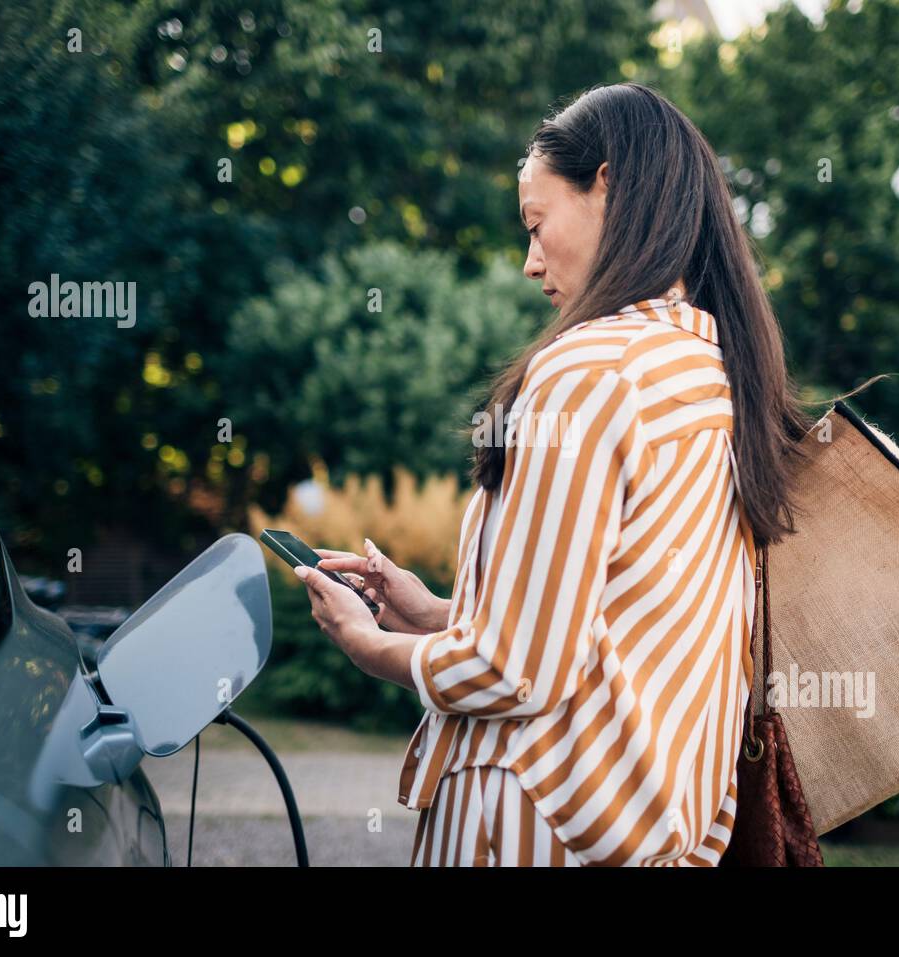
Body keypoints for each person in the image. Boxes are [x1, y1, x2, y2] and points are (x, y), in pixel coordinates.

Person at [296, 81, 808, 866]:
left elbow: (514, 669)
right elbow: (614, 614)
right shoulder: (715, 370)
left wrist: (365, 643)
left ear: (611, 185)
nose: (531, 262)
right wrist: (438, 611)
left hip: (536, 818)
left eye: (537, 225)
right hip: (651, 829)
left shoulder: (589, 368)